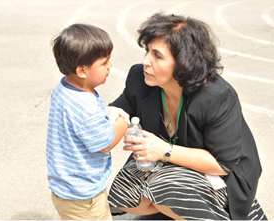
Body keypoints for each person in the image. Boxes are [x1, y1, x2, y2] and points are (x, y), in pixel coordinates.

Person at [108, 13, 267, 220]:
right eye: (147, 50)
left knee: (164, 188)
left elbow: (223, 163)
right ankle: (180, 207)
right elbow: (122, 107)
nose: (145, 61)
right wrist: (111, 113)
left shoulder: (216, 95)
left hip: (221, 172)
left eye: (157, 55)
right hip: (172, 163)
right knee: (122, 195)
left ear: (184, 63)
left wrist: (163, 150)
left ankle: (214, 210)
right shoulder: (140, 77)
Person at [46, 23, 129, 220]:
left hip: (65, 186)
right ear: (82, 70)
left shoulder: (64, 87)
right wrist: (123, 124)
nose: (110, 66)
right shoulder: (85, 106)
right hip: (84, 196)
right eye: (104, 62)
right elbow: (104, 142)